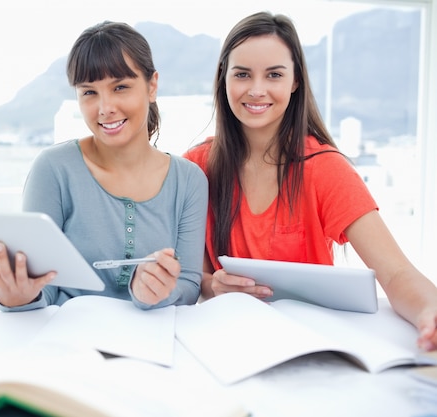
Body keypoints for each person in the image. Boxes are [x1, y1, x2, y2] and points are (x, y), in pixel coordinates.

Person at [183, 11, 437, 350]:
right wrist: (213, 287)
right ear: (223, 78)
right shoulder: (195, 167)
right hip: (229, 344)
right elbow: (192, 277)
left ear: (295, 81)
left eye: (274, 75)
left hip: (313, 347)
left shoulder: (325, 168)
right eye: (242, 74)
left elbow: (395, 273)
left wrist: (429, 311)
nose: (257, 90)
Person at [0, 21, 208, 311]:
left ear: (152, 85)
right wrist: (19, 297)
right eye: (89, 92)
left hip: (156, 341)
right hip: (69, 343)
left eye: (120, 87)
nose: (105, 108)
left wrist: (152, 293)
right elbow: (44, 288)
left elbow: (190, 285)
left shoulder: (189, 180)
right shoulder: (54, 170)